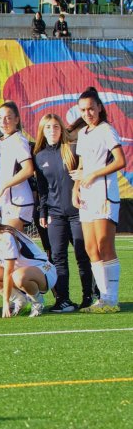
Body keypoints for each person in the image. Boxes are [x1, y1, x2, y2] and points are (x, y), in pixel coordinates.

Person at [73, 88, 126, 313]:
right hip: (87, 196)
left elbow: (120, 161)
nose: (88, 113)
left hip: (104, 194)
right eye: (83, 110)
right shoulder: (83, 133)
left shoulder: (107, 130)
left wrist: (95, 174)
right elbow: (82, 165)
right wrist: (75, 188)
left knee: (105, 244)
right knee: (90, 247)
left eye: (91, 109)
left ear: (99, 108)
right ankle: (102, 299)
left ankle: (111, 299)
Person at [33, 114, 92, 312]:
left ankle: (89, 297)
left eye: (56, 126)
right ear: (42, 130)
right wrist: (43, 210)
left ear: (62, 129)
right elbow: (42, 188)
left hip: (77, 212)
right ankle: (63, 300)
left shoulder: (73, 149)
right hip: (55, 214)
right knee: (57, 257)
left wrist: (84, 174)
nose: (52, 130)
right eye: (48, 127)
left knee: (82, 254)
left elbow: (92, 167)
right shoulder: (39, 156)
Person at [0, 203, 56, 318]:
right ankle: (20, 301)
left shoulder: (6, 236)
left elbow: (8, 271)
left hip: (45, 271)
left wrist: (5, 303)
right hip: (20, 273)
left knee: (18, 276)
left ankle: (38, 302)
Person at [0, 102, 34, 231]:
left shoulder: (18, 140)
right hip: (6, 202)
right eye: (0, 118)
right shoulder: (1, 143)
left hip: (18, 200)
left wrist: (3, 186)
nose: (3, 122)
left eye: (8, 117)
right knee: (14, 246)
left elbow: (28, 169)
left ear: (16, 119)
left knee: (9, 242)